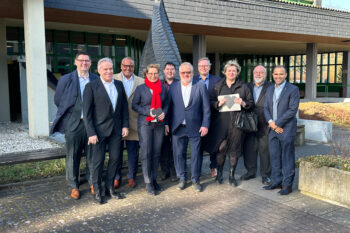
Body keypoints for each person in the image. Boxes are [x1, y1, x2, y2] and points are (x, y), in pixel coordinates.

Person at [51, 52, 98, 200]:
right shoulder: (66, 79)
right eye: (81, 60)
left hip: (91, 124)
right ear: (75, 62)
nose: (84, 63)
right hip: (74, 123)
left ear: (90, 63)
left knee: (92, 153)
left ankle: (92, 182)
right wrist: (72, 115)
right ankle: (74, 186)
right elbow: (58, 100)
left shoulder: (96, 79)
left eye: (87, 60)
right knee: (73, 155)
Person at [83, 57, 129, 204]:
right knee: (98, 162)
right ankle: (97, 191)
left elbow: (124, 109)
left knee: (115, 159)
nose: (109, 71)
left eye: (110, 69)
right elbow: (87, 113)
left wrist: (125, 125)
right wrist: (91, 133)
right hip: (98, 132)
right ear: (99, 70)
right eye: (105, 69)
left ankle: (110, 188)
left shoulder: (119, 85)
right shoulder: (91, 87)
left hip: (116, 131)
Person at [204, 60, 254, 186]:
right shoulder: (218, 86)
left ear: (237, 72)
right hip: (221, 123)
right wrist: (217, 104)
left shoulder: (243, 87)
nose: (231, 72)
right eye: (229, 70)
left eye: (234, 70)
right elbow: (210, 101)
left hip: (237, 124)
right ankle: (219, 174)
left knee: (234, 151)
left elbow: (251, 103)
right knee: (221, 149)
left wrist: (243, 103)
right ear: (225, 72)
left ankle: (231, 176)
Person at [167, 62, 210, 192]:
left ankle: (196, 179)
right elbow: (169, 108)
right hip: (178, 127)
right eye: (183, 73)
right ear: (179, 74)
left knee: (196, 154)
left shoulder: (200, 86)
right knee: (179, 154)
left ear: (192, 73)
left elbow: (206, 108)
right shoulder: (173, 87)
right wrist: (166, 124)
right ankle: (182, 178)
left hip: (196, 127)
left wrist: (205, 125)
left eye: (188, 72)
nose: (186, 74)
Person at [132, 64, 168, 195]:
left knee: (156, 153)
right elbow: (134, 105)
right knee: (146, 153)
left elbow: (167, 104)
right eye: (150, 73)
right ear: (146, 74)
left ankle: (154, 180)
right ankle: (148, 183)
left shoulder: (162, 88)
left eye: (155, 73)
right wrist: (148, 112)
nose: (153, 76)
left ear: (159, 74)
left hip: (159, 125)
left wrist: (164, 112)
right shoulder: (141, 88)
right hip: (145, 125)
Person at [263, 65, 300, 195]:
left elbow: (292, 110)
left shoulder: (293, 89)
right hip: (272, 128)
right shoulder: (269, 89)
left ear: (285, 75)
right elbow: (265, 108)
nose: (278, 76)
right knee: (274, 157)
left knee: (287, 157)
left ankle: (287, 185)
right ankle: (276, 182)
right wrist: (271, 123)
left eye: (281, 74)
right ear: (272, 75)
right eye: (275, 74)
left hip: (286, 129)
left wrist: (276, 124)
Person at [113, 57, 144, 189]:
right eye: (125, 65)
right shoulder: (113, 78)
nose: (128, 68)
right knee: (116, 152)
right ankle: (116, 177)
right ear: (121, 66)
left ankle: (131, 176)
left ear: (134, 67)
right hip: (117, 123)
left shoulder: (141, 81)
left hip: (134, 122)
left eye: (131, 66)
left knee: (133, 152)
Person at [242, 65, 272, 185]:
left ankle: (266, 175)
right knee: (249, 149)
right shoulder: (246, 86)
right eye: (256, 72)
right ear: (253, 74)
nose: (258, 74)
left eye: (261, 72)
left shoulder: (271, 87)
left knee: (265, 150)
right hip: (248, 123)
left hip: (264, 123)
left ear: (265, 74)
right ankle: (250, 172)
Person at [192, 57, 221, 178]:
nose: (203, 68)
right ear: (198, 68)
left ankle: (213, 167)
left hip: (214, 117)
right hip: (196, 118)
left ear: (209, 67)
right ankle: (196, 169)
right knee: (198, 145)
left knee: (213, 145)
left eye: (206, 66)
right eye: (201, 66)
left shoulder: (217, 80)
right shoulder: (193, 80)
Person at [160, 62, 178, 182]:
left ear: (175, 71)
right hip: (162, 120)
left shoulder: (180, 84)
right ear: (164, 71)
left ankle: (175, 171)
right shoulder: (159, 84)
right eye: (168, 69)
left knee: (176, 148)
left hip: (177, 120)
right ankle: (165, 171)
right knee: (164, 147)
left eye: (172, 69)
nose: (170, 71)